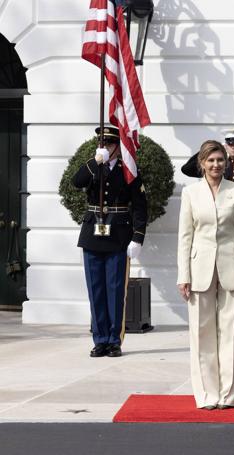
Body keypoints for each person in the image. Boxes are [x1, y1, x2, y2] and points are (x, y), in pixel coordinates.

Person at [177, 140, 234, 410]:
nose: (216, 165)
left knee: (230, 333)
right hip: (199, 269)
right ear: (201, 163)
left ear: (226, 162)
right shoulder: (190, 193)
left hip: (231, 266)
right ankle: (207, 395)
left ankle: (228, 396)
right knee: (202, 333)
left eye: (220, 159)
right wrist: (183, 275)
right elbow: (185, 237)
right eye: (210, 160)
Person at [73, 126, 147, 358]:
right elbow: (76, 182)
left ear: (119, 145)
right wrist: (96, 162)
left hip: (118, 235)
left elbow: (140, 206)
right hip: (92, 234)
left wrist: (137, 237)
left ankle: (114, 340)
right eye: (101, 143)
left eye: (110, 144)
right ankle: (100, 339)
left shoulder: (129, 171)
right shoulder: (93, 166)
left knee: (115, 290)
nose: (105, 147)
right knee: (95, 290)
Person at [181, 129, 234, 223]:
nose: (233, 147)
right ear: (225, 146)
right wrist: (208, 149)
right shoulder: (216, 166)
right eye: (230, 144)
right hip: (219, 215)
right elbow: (186, 170)